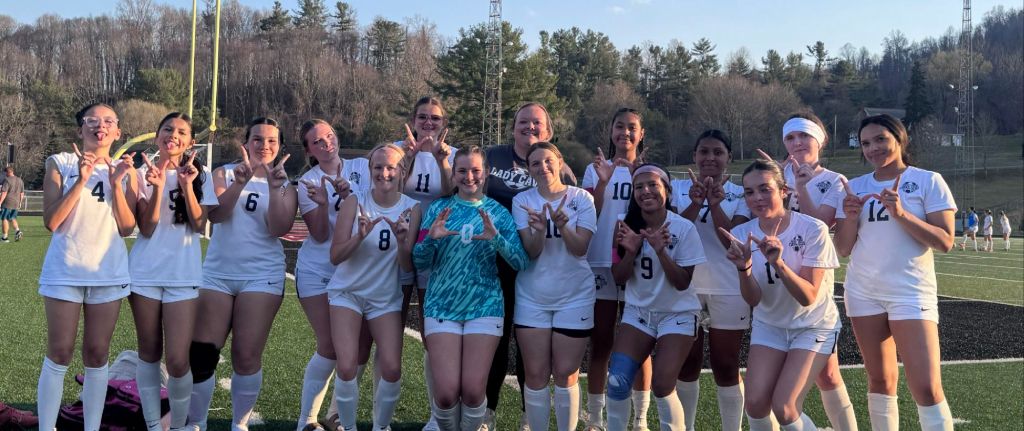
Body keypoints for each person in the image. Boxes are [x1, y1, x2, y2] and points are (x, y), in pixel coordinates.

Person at [834, 114, 956, 431]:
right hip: (863, 293)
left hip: (910, 291)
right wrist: (850, 216)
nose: (873, 148)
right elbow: (843, 248)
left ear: (899, 138)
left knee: (926, 387)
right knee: (880, 380)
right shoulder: (854, 187)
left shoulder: (928, 180)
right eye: (866, 143)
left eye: (880, 139)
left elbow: (945, 241)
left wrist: (901, 214)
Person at [189, 117, 297, 431]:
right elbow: (216, 216)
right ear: (246, 142)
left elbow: (278, 229)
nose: (264, 146)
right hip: (218, 273)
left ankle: (240, 424)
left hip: (261, 275)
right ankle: (197, 422)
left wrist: (274, 189)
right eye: (258, 139)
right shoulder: (223, 173)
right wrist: (239, 183)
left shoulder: (285, 185)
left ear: (280, 147)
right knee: (203, 353)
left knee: (246, 355)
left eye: (272, 141)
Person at [37, 102, 138, 431]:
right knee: (60, 352)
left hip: (107, 272)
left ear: (118, 131)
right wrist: (80, 180)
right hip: (65, 270)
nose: (100, 126)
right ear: (80, 128)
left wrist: (117, 183)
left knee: (97, 354)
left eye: (108, 121)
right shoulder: (60, 162)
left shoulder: (126, 170)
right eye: (92, 121)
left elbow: (126, 227)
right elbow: (52, 221)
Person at [413, 146, 528, 431]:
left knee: (475, 392)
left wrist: (496, 238)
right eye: (462, 170)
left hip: (485, 306)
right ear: (453, 174)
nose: (469, 177)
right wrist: (431, 240)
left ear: (486, 173)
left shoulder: (498, 213)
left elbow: (521, 261)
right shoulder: (438, 209)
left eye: (476, 170)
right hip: (442, 305)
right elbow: (419, 261)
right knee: (446, 393)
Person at [724, 159, 841, 431]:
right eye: (750, 192)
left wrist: (778, 263)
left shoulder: (813, 229)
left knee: (785, 407)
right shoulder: (740, 234)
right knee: (755, 404)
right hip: (770, 325)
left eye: (765, 189)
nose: (757, 197)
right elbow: (753, 299)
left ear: (784, 191)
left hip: (813, 325)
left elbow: (808, 296)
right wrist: (744, 267)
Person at [483, 101, 576, 430]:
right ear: (513, 127)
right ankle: (487, 411)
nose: (530, 127)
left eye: (537, 123)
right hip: (494, 263)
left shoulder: (557, 166)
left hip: (538, 266)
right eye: (523, 121)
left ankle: (529, 414)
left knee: (529, 343)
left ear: (549, 131)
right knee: (495, 336)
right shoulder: (492, 157)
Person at [128, 113, 218, 431]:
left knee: (179, 360)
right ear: (157, 136)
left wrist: (186, 185)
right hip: (144, 274)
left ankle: (178, 425)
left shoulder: (200, 175)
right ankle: (154, 425)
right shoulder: (141, 174)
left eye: (181, 132)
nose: (173, 135)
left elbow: (199, 223)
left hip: (183, 275)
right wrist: (156, 188)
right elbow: (146, 228)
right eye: (168, 129)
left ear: (190, 141)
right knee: (149, 353)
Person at [772, 112, 858, 431]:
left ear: (820, 141)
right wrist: (772, 181)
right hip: (774, 278)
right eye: (790, 137)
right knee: (797, 374)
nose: (797, 143)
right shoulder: (775, 174)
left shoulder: (833, 180)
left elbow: (819, 226)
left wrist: (801, 187)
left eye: (804, 136)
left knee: (828, 374)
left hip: (813, 278)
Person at [328, 143, 421, 431]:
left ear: (402, 171)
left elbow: (407, 267)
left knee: (392, 368)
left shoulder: (412, 208)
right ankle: (348, 426)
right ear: (369, 170)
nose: (384, 173)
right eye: (378, 167)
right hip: (348, 293)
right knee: (347, 365)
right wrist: (359, 236)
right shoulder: (355, 202)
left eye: (391, 167)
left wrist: (403, 242)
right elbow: (335, 256)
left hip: (384, 297)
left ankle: (381, 426)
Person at [608, 164, 705, 431]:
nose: (646, 191)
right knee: (617, 380)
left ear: (667, 191)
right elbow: (618, 278)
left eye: (653, 185)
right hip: (639, 312)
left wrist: (661, 251)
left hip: (677, 313)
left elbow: (682, 283)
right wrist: (630, 252)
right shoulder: (624, 224)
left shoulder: (683, 228)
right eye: (639, 187)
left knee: (662, 385)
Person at [512, 142, 596, 431]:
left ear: (560, 162)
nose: (543, 167)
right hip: (532, 297)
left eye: (548, 160)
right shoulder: (522, 200)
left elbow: (580, 249)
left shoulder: (581, 198)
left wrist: (563, 226)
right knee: (535, 374)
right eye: (535, 163)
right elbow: (532, 251)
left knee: (566, 373)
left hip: (575, 296)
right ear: (529, 169)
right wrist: (538, 231)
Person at [293, 119, 371, 431]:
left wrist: (352, 193)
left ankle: (336, 415)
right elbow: (320, 235)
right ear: (309, 151)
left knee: (356, 349)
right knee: (329, 345)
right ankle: (306, 421)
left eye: (329, 136)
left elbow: (376, 207)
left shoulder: (362, 167)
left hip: (355, 270)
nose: (327, 144)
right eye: (318, 142)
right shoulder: (307, 181)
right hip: (318, 271)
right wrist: (324, 202)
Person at [673, 130, 751, 431]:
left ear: (728, 157)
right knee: (687, 363)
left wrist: (715, 205)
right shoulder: (677, 188)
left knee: (726, 365)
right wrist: (695, 203)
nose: (710, 158)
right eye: (703, 151)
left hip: (728, 287)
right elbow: (674, 236)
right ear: (694, 155)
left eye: (718, 152)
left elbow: (734, 243)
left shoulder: (740, 193)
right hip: (687, 286)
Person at [581, 108, 654, 431]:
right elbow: (590, 211)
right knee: (601, 342)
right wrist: (603, 181)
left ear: (642, 134)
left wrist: (641, 177)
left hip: (637, 263)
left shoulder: (649, 171)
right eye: (619, 126)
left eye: (632, 127)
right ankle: (596, 419)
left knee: (641, 344)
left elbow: (656, 212)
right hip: (600, 260)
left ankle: (640, 419)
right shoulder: (594, 168)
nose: (625, 132)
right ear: (611, 131)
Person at [395, 96, 455, 431]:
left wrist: (442, 161)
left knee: (433, 331)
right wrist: (407, 158)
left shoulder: (451, 153)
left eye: (435, 118)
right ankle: (372, 415)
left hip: (435, 244)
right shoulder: (397, 149)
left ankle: (437, 414)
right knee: (389, 328)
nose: (428, 123)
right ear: (413, 120)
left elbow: (451, 194)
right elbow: (389, 190)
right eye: (422, 117)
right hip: (400, 241)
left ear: (443, 122)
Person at [0, 165, 24, 242]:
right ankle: (17, 231)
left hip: (7, 202)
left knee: (4, 218)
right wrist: (20, 202)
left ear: (7, 172)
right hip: (16, 203)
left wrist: (0, 202)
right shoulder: (20, 180)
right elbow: (22, 193)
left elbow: (4, 192)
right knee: (12, 218)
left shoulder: (7, 180)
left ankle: (5, 238)